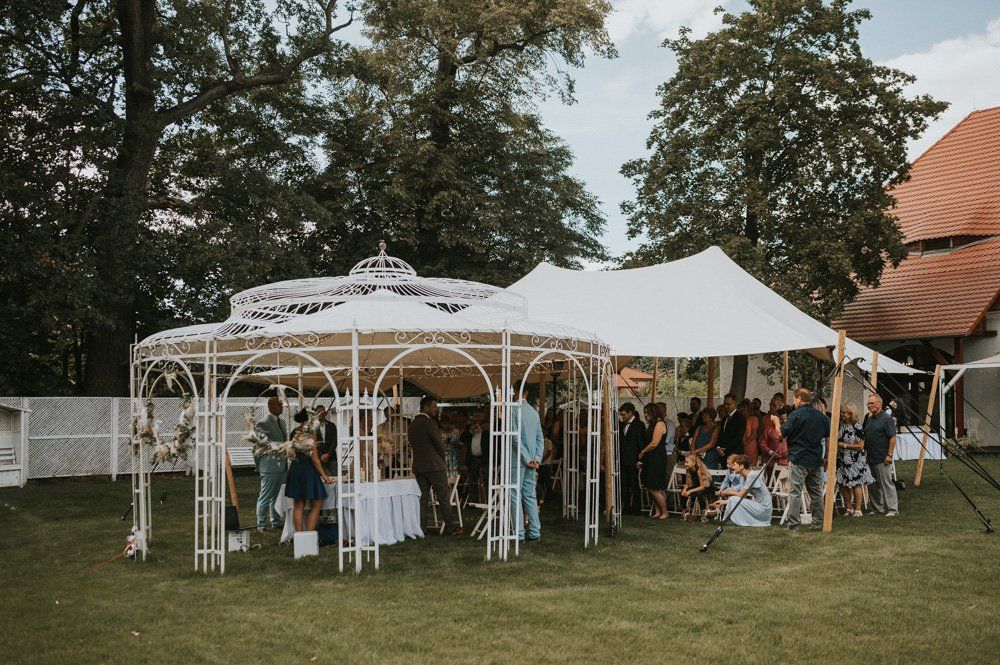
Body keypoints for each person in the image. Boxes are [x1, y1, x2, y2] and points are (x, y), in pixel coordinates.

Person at [409, 397, 463, 535]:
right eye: (434, 406)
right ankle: (452, 528)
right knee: (444, 496)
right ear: (426, 407)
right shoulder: (430, 423)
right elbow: (439, 444)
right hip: (434, 465)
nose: (437, 409)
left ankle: (422, 529)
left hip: (419, 466)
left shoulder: (413, 424)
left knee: (423, 498)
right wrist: (442, 458)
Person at [780, 387, 830, 530]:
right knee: (816, 493)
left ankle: (793, 524)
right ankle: (817, 523)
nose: (793, 402)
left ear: (799, 398)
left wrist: (777, 422)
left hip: (798, 458)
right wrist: (826, 457)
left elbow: (782, 433)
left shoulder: (795, 414)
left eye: (794, 399)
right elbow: (827, 438)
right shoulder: (822, 416)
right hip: (815, 459)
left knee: (794, 492)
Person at [286, 409, 333, 533]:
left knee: (298, 504)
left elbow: (290, 453)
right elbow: (315, 458)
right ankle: (309, 536)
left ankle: (299, 537)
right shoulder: (311, 433)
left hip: (295, 469)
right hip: (308, 470)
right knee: (317, 504)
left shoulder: (294, 432)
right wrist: (324, 476)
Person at [510, 382, 544, 541]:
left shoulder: (513, 410)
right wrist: (536, 459)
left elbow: (515, 438)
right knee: (530, 496)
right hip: (531, 461)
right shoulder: (534, 412)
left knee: (515, 495)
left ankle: (519, 534)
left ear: (516, 391)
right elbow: (540, 440)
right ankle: (536, 532)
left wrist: (526, 458)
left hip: (518, 460)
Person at [255, 396, 290, 533]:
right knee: (265, 495)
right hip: (269, 466)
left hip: (282, 465)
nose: (281, 407)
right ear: (271, 407)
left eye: (281, 405)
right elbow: (263, 444)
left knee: (276, 495)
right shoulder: (262, 423)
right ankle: (261, 524)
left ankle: (275, 521)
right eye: (279, 405)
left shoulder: (282, 422)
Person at [863, 394, 899, 517]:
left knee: (886, 483)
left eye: (872, 403)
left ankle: (893, 509)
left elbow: (892, 437)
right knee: (872, 484)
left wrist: (889, 454)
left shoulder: (887, 418)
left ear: (879, 403)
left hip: (883, 457)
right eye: (868, 404)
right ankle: (877, 508)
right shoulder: (869, 418)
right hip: (870, 457)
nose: (869, 406)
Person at [836, 402, 874, 517]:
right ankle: (849, 507)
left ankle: (858, 509)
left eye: (845, 412)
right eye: (841, 412)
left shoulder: (857, 427)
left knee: (856, 483)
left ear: (851, 413)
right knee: (842, 483)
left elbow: (860, 446)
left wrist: (844, 446)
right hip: (842, 459)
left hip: (855, 460)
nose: (842, 414)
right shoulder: (840, 425)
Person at [721, 454, 773, 527]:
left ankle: (726, 521)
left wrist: (730, 491)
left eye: (735, 465)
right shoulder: (747, 477)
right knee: (733, 499)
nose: (733, 467)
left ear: (741, 466)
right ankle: (726, 521)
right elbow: (742, 497)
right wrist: (723, 502)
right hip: (760, 507)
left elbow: (741, 495)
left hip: (763, 509)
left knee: (733, 498)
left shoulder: (751, 475)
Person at [637, 403, 669, 519]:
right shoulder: (651, 424)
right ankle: (657, 511)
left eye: (647, 412)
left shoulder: (660, 424)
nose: (645, 415)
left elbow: (654, 443)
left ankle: (665, 512)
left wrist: (642, 452)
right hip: (650, 457)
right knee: (649, 484)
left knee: (654, 486)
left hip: (657, 457)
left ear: (653, 412)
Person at [618, 402, 646, 514]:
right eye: (621, 414)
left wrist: (640, 460)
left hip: (634, 460)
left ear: (630, 413)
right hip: (623, 459)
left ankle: (636, 508)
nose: (622, 417)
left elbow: (641, 444)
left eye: (624, 414)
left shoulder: (639, 425)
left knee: (634, 484)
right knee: (624, 484)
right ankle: (625, 507)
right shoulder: (621, 425)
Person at [460, 407, 490, 503]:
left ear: (483, 416)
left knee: (487, 480)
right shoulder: (470, 427)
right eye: (475, 416)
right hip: (473, 458)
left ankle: (489, 501)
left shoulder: (488, 426)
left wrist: (489, 428)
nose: (476, 419)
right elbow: (462, 438)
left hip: (485, 457)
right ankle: (473, 502)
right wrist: (470, 431)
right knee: (472, 481)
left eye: (479, 416)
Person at [704, 454, 745, 520]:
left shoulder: (740, 472)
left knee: (727, 493)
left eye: (729, 464)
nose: (727, 465)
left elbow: (741, 485)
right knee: (723, 493)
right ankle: (723, 511)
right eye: (727, 464)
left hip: (740, 490)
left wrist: (730, 490)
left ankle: (731, 512)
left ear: (735, 464)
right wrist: (721, 489)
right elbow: (725, 481)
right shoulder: (729, 471)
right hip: (731, 489)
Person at [680, 452, 714, 521]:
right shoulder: (688, 469)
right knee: (682, 493)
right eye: (685, 462)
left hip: (706, 487)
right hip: (697, 486)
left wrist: (690, 491)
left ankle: (704, 515)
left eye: (687, 462)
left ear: (693, 463)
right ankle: (684, 514)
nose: (685, 464)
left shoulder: (699, 470)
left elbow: (702, 487)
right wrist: (685, 489)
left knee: (699, 494)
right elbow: (688, 483)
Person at [718, 393, 746, 457]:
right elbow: (722, 434)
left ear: (734, 403)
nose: (726, 406)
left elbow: (738, 437)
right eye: (725, 404)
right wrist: (718, 447)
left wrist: (725, 450)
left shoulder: (741, 417)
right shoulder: (725, 418)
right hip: (723, 453)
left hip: (735, 452)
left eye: (728, 404)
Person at [314, 404, 339, 476]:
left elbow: (334, 441)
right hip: (318, 458)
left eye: (323, 412)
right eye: (320, 412)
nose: (322, 414)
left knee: (333, 478)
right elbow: (313, 444)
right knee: (319, 479)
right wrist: (321, 455)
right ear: (316, 413)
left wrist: (328, 454)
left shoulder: (332, 425)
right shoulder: (313, 426)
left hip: (331, 457)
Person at [738, 398, 761, 465]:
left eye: (744, 407)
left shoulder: (754, 419)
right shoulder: (739, 420)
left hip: (749, 445)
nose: (741, 409)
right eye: (740, 407)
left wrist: (744, 443)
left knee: (749, 465)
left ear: (748, 408)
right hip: (740, 445)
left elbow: (754, 435)